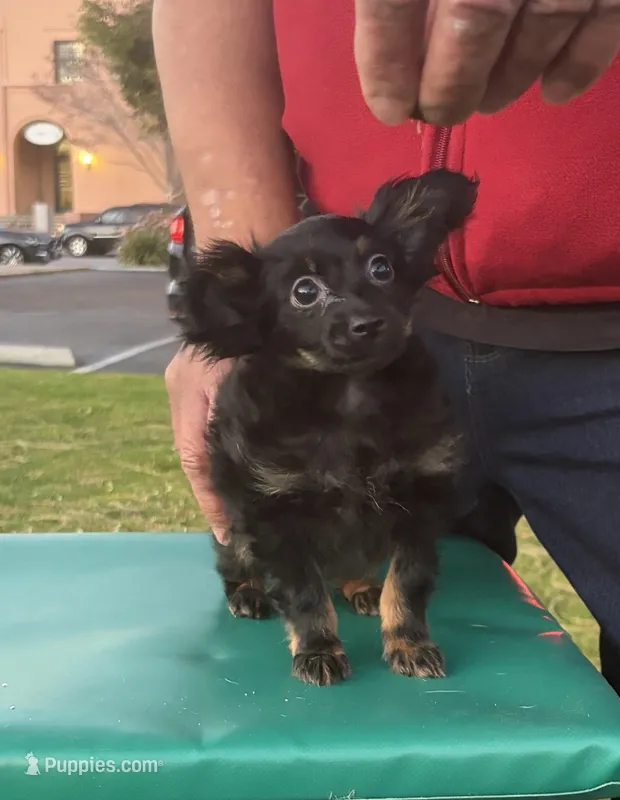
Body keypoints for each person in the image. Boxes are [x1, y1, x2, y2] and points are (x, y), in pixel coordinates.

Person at [152, 0, 620, 702]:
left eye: (372, 271)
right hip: (385, 349)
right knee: (408, 706)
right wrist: (249, 288)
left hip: (601, 342)